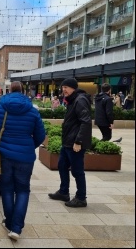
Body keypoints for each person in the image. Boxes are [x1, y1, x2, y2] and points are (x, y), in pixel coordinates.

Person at [0, 81, 45, 241]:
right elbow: (40, 135)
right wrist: (29, 146)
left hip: (4, 155)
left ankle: (10, 223)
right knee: (23, 190)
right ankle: (16, 228)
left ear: (9, 91)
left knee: (6, 188)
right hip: (25, 157)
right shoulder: (32, 110)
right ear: (23, 91)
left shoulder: (1, 107)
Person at [48, 78, 92, 208]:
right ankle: (63, 192)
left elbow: (86, 121)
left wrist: (78, 141)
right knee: (62, 166)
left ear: (73, 88)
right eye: (63, 87)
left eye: (66, 87)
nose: (63, 90)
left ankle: (81, 197)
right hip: (67, 142)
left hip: (75, 143)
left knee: (77, 171)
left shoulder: (80, 100)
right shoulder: (73, 100)